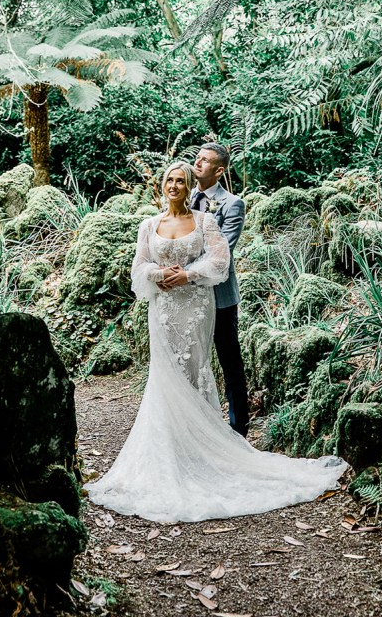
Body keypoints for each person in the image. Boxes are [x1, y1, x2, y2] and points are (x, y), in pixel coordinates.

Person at [87, 161, 348, 524]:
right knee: (165, 374)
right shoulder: (149, 225)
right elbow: (139, 267)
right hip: (162, 309)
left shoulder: (205, 221)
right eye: (169, 180)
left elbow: (219, 261)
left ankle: (202, 447)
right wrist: (160, 274)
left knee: (194, 368)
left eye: (181, 180)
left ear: (190, 186)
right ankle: (168, 449)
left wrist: (188, 275)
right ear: (161, 186)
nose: (174, 185)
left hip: (195, 305)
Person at [191, 143, 249, 437]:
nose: (198, 163)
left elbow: (222, 250)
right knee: (192, 359)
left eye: (205, 161)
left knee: (229, 360)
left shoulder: (232, 204)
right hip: (188, 296)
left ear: (219, 170)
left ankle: (239, 430)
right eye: (197, 158)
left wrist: (187, 269)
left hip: (220, 296)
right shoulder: (185, 197)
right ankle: (199, 426)